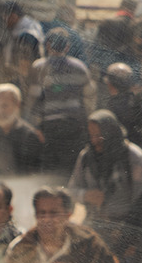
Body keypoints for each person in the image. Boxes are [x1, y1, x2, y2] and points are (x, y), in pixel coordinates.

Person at [67, 109, 142, 248]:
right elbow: (72, 190)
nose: (95, 141)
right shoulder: (87, 157)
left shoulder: (133, 157)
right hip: (94, 228)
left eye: (100, 136)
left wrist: (130, 234)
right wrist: (86, 195)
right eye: (91, 135)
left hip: (123, 231)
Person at [28, 26, 94, 175]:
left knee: (51, 167)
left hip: (50, 126)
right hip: (75, 124)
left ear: (48, 45)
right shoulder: (80, 67)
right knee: (72, 166)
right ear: (67, 46)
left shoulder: (39, 67)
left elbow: (34, 99)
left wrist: (36, 126)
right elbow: (89, 97)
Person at [0, 83, 43, 177]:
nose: (0, 111)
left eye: (5, 106)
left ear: (17, 105)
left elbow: (34, 172)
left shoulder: (28, 135)